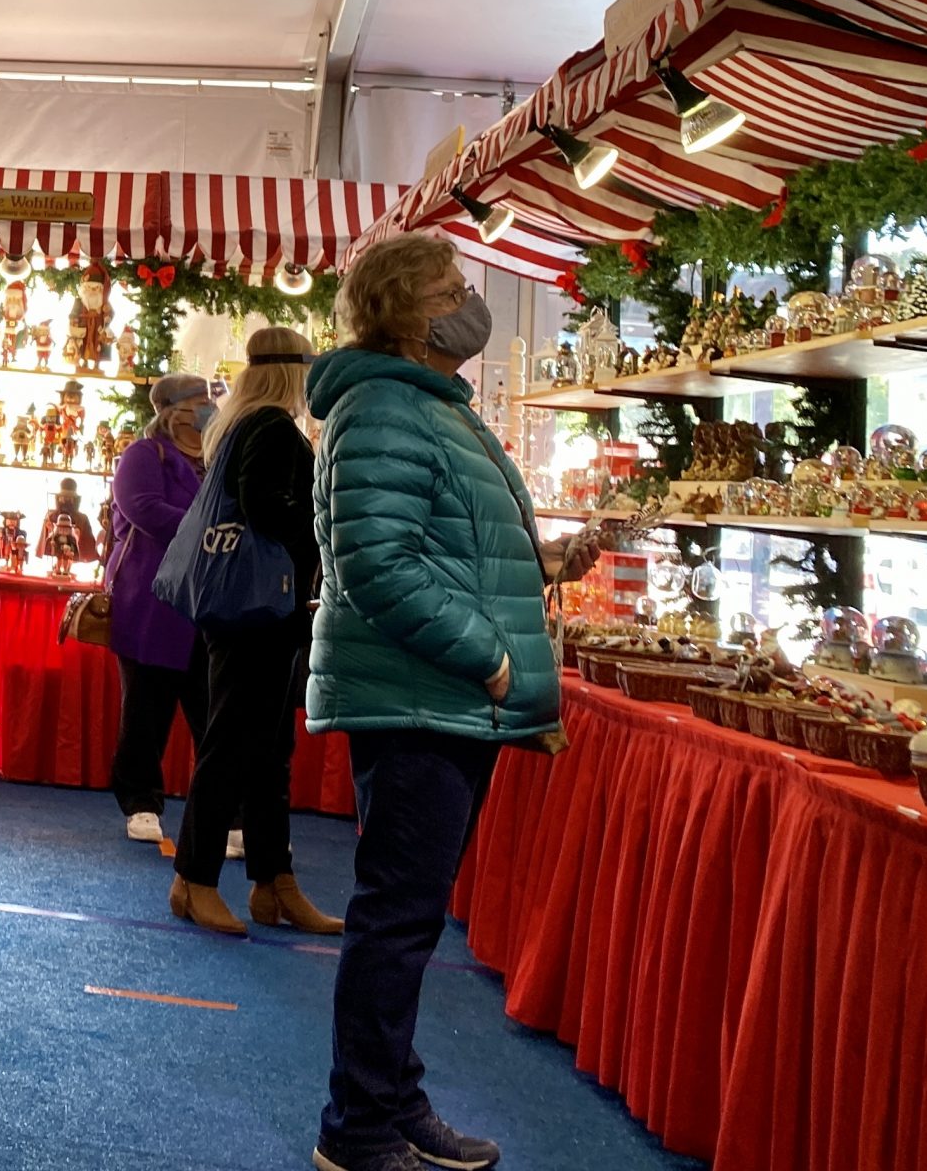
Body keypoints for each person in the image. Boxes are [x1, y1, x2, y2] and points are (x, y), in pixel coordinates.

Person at [305, 233, 579, 1171]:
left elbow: (435, 542)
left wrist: (534, 566)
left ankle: (391, 1100)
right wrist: (491, 660)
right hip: (424, 696)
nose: (470, 302)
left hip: (443, 698)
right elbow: (376, 562)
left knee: (406, 919)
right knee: (396, 918)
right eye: (452, 289)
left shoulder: (426, 406)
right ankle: (359, 1129)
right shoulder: (384, 404)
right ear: (410, 313)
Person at [166, 326, 342, 938]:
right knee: (237, 746)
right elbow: (266, 505)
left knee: (265, 752)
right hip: (258, 615)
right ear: (294, 371)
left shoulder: (242, 423)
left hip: (249, 613)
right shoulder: (269, 427)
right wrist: (322, 529)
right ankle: (197, 878)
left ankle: (274, 881)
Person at [104, 374, 215, 845]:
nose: (207, 410)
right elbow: (142, 509)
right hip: (150, 602)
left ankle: (224, 814)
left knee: (212, 714)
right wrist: (210, 530)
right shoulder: (144, 455)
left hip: (207, 606)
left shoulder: (217, 456)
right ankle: (141, 801)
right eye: (198, 403)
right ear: (172, 410)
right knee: (146, 711)